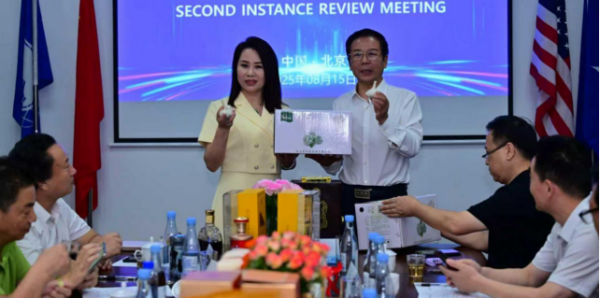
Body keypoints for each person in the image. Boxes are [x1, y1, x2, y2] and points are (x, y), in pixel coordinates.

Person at [380, 116, 554, 269]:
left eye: (488, 153)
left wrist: (414, 207)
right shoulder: (527, 184)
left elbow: (456, 224)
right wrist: (429, 223)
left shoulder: (519, 191)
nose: (487, 162)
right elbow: (484, 240)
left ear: (509, 151)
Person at [441, 136, 600, 298]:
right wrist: (480, 272)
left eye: (531, 179)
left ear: (548, 189)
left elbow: (550, 295)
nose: (528, 187)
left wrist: (476, 282)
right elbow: (529, 277)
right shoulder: (562, 223)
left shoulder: (590, 228)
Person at [307, 28, 423, 219]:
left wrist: (385, 119)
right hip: (348, 196)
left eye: (372, 54)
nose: (364, 61)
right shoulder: (340, 104)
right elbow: (336, 167)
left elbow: (412, 148)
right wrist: (325, 160)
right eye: (357, 55)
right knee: (348, 239)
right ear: (349, 62)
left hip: (391, 198)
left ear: (385, 60)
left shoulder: (405, 99)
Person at [199, 37, 297, 231]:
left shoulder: (284, 111)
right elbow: (211, 164)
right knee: (234, 248)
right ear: (235, 68)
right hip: (234, 193)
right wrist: (223, 128)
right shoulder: (220, 107)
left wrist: (288, 161)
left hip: (273, 193)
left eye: (258, 67)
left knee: (273, 249)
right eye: (244, 65)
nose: (250, 73)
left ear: (270, 71)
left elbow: (288, 163)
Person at [9, 134, 122, 270]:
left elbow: (90, 239)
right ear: (42, 182)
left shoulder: (58, 205)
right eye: (66, 165)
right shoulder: (21, 222)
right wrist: (97, 253)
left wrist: (93, 255)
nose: (74, 171)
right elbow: (38, 276)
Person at [0, 157, 97, 298]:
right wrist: (66, 278)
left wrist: (77, 276)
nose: (33, 218)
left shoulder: (9, 245)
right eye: (26, 212)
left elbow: (32, 288)